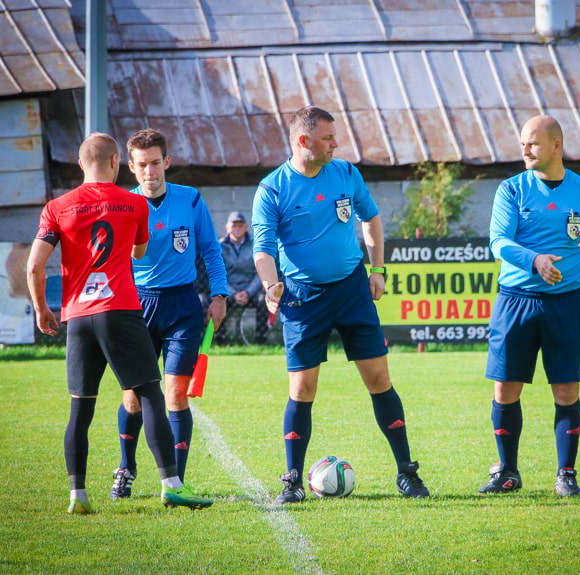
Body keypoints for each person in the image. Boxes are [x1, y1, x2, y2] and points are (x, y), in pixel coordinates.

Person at [26, 132, 212, 513]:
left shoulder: (56, 207)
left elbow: (34, 265)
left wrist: (42, 308)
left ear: (81, 164)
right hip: (122, 310)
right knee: (149, 397)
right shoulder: (133, 203)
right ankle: (171, 484)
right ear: (117, 163)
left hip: (77, 316)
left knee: (80, 409)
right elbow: (139, 251)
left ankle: (77, 495)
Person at [252, 105, 429, 504]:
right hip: (301, 296)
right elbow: (262, 248)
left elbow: (371, 218)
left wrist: (378, 268)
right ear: (303, 142)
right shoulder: (272, 188)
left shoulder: (346, 173)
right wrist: (270, 285)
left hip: (352, 290)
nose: (337, 143)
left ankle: (407, 473)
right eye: (329, 138)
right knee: (302, 387)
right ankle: (293, 482)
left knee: (379, 380)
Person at [481, 114, 580, 498]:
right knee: (505, 390)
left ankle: (566, 474)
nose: (524, 150)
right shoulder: (511, 190)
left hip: (566, 305)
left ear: (556, 145)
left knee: (566, 392)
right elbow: (498, 241)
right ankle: (508, 471)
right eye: (522, 143)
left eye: (532, 143)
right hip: (516, 302)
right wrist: (535, 261)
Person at [110, 128, 229, 500]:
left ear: (167, 162)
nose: (150, 171)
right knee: (133, 396)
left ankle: (175, 481)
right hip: (137, 306)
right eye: (142, 165)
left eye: (156, 163)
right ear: (131, 167)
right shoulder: (123, 205)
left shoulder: (191, 200)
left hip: (182, 307)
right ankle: (126, 469)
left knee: (176, 394)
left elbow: (211, 250)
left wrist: (220, 294)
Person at [217, 210, 269, 344]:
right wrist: (233, 293)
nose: (237, 229)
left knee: (264, 298)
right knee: (216, 299)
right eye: (234, 225)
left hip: (251, 290)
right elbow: (218, 273)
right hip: (229, 291)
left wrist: (248, 292)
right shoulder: (219, 247)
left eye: (240, 226)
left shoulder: (255, 245)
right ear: (227, 227)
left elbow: (260, 271)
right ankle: (222, 340)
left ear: (246, 228)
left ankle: (260, 339)